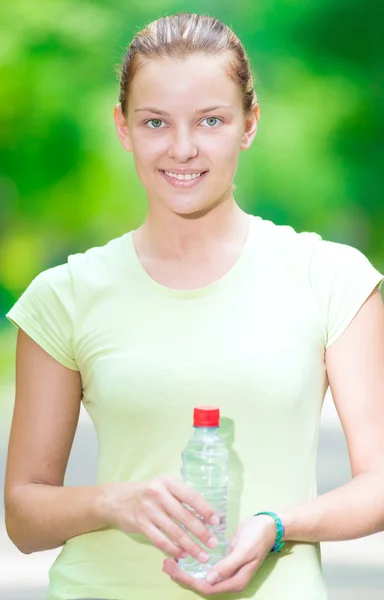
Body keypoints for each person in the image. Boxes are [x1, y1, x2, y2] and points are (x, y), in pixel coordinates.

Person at [4, 12, 384, 600]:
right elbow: (24, 516)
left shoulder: (330, 277)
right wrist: (112, 500)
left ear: (249, 123)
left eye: (211, 120)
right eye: (156, 122)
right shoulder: (65, 294)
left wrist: (277, 527)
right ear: (123, 127)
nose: (183, 149)